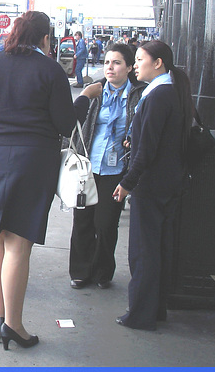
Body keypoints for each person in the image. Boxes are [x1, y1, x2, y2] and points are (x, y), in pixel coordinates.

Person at [0, 11, 94, 350]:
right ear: (45, 38)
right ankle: (14, 326)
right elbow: (64, 124)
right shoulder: (49, 69)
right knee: (19, 243)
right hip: (32, 160)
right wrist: (85, 99)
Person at [113, 40, 193, 330]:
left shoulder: (158, 95)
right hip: (169, 181)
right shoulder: (170, 92)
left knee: (144, 251)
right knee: (159, 247)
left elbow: (147, 150)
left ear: (158, 63)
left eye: (139, 59)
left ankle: (140, 314)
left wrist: (127, 183)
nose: (135, 65)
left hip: (152, 183)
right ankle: (156, 309)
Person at [68, 44, 147, 290]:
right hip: (88, 166)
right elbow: (73, 121)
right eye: (107, 63)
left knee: (105, 222)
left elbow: (144, 128)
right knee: (82, 219)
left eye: (116, 63)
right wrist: (84, 96)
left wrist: (131, 141)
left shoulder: (138, 94)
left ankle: (102, 271)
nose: (110, 68)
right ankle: (80, 271)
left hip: (116, 168)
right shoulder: (96, 91)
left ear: (130, 67)